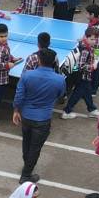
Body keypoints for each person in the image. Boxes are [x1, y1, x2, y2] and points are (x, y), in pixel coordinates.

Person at [12, 49, 65, 183]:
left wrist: (16, 111)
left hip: (27, 116)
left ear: (39, 60)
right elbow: (60, 95)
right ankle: (26, 174)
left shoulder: (27, 75)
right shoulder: (59, 80)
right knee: (35, 148)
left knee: (26, 142)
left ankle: (27, 165)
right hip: (43, 119)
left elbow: (19, 96)